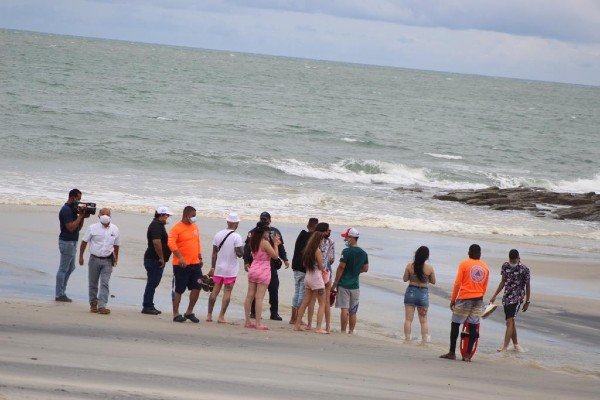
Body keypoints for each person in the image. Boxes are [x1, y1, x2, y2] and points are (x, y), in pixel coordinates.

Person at [440, 244, 490, 362]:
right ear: (480, 253)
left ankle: (452, 352)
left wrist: (453, 299)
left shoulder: (464, 264)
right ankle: (467, 355)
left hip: (465, 298)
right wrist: (479, 296)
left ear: (469, 253)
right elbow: (485, 286)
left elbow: (458, 283)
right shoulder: (486, 267)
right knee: (473, 326)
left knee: (455, 324)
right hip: (478, 299)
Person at [244, 212, 289, 321]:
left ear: (270, 220)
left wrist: (285, 259)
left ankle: (274, 313)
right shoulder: (252, 233)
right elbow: (247, 248)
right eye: (262, 219)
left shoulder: (274, 232)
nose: (264, 220)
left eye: (265, 219)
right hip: (263, 266)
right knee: (256, 293)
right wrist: (246, 261)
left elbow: (280, 246)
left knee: (273, 289)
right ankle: (254, 313)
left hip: (266, 266)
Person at [78, 208, 120, 315]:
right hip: (94, 259)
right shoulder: (92, 228)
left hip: (108, 260)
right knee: (93, 283)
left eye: (107, 214)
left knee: (105, 283)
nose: (105, 216)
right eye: (103, 214)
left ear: (110, 216)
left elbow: (116, 245)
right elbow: (84, 242)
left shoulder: (115, 229)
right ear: (99, 216)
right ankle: (93, 303)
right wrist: (81, 256)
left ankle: (102, 306)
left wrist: (116, 258)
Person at [490, 249, 531, 353]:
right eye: (511, 261)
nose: (513, 262)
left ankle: (504, 347)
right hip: (507, 297)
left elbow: (528, 286)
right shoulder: (505, 266)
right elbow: (503, 281)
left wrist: (527, 302)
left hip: (518, 298)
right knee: (511, 322)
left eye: (514, 260)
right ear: (509, 259)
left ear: (518, 258)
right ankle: (516, 345)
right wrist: (494, 295)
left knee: (509, 321)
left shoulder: (524, 269)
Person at [206, 212, 244, 323]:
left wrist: (213, 267)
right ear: (236, 223)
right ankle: (221, 316)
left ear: (227, 222)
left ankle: (209, 315)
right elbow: (239, 254)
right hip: (231, 269)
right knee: (227, 291)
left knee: (215, 291)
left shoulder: (218, 234)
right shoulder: (237, 236)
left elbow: (214, 253)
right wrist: (244, 248)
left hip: (219, 268)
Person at [168, 206, 203, 323]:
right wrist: (180, 257)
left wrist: (200, 256)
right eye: (193, 216)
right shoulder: (176, 228)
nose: (194, 218)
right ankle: (176, 313)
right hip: (181, 265)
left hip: (195, 263)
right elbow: (171, 244)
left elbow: (197, 242)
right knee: (179, 289)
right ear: (186, 215)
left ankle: (189, 311)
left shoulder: (195, 227)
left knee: (197, 287)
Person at [244, 221, 281, 330]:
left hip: (253, 268)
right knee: (259, 297)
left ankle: (247, 321)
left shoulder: (253, 240)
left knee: (249, 295)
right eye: (267, 232)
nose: (268, 234)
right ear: (264, 231)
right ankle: (258, 323)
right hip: (263, 270)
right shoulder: (264, 242)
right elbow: (275, 256)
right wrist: (275, 244)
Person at [331, 228, 369, 334]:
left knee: (344, 308)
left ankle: (343, 330)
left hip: (344, 284)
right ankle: (351, 331)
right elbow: (365, 269)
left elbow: (341, 267)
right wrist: (356, 271)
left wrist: (335, 283)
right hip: (355, 285)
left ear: (352, 238)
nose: (346, 239)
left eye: (347, 237)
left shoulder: (346, 251)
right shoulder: (363, 253)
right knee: (353, 311)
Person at [56, 188, 89, 302]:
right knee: (63, 268)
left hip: (73, 241)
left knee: (71, 268)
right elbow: (70, 228)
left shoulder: (73, 210)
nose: (79, 201)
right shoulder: (66, 210)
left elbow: (78, 228)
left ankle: (62, 292)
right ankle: (59, 294)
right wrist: (80, 216)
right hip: (66, 241)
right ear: (72, 197)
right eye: (78, 199)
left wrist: (82, 216)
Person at [294, 231, 328, 334]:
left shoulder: (307, 250)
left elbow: (304, 263)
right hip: (316, 278)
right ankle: (318, 327)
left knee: (305, 302)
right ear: (319, 240)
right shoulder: (317, 251)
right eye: (322, 239)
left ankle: (297, 325)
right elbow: (321, 267)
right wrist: (324, 270)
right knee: (322, 303)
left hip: (308, 276)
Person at [141, 206, 172, 315]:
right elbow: (156, 242)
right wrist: (161, 257)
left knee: (153, 282)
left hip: (154, 259)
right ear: (161, 215)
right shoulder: (156, 226)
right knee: (152, 283)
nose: (167, 217)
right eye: (166, 215)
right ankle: (147, 306)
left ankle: (149, 304)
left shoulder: (158, 225)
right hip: (154, 259)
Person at [402, 246, 436, 343]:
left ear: (416, 254)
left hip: (411, 293)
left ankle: (407, 339)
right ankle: (424, 340)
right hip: (423, 295)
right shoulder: (429, 268)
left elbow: (404, 279)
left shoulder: (409, 266)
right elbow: (433, 281)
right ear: (427, 257)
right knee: (423, 320)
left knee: (408, 319)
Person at [306, 222, 335, 331]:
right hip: (326, 272)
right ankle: (327, 326)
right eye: (328, 230)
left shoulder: (313, 242)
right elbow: (331, 259)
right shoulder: (331, 242)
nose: (329, 231)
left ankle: (309, 324)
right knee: (325, 301)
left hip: (314, 271)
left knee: (312, 299)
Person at [289, 217, 318, 324]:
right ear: (316, 228)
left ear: (307, 226)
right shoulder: (313, 238)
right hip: (303, 268)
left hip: (295, 266)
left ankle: (293, 318)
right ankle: (298, 319)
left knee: (296, 292)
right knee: (302, 294)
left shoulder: (301, 234)